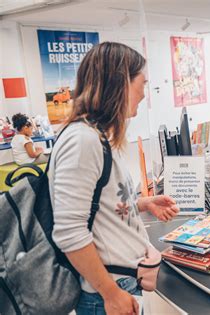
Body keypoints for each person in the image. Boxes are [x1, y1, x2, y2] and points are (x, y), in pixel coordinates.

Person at [49, 42, 180, 315]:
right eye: (141, 84)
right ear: (121, 84)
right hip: (106, 292)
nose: (144, 94)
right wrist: (111, 294)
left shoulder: (98, 136)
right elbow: (69, 231)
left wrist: (142, 203)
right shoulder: (83, 140)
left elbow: (100, 203)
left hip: (120, 285)